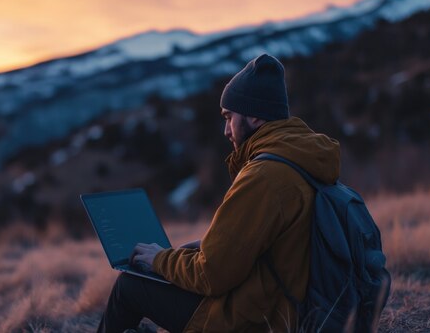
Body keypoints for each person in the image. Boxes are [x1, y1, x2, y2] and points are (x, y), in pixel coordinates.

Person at [98, 54, 341, 332]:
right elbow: (271, 245)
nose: (226, 130)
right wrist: (203, 247)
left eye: (229, 117)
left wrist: (159, 260)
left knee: (132, 284)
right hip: (290, 308)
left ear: (254, 115)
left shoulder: (264, 176)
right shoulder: (303, 159)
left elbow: (212, 275)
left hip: (259, 319)